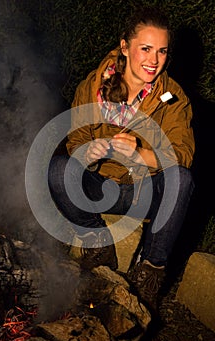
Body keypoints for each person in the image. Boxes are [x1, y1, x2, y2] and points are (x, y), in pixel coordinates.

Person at [48, 5, 195, 317]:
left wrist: (141, 155)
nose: (154, 61)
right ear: (125, 47)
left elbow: (183, 155)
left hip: (145, 190)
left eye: (162, 51)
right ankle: (96, 242)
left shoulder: (174, 97)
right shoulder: (92, 86)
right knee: (58, 168)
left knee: (181, 179)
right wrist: (86, 153)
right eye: (146, 49)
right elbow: (74, 140)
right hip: (100, 187)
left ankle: (150, 273)